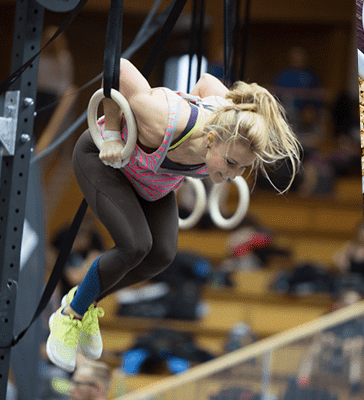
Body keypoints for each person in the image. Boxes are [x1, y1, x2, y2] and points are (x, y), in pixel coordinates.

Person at [46, 58, 302, 372]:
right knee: (136, 245)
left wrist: (198, 98)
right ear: (211, 140)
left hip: (152, 183)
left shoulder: (224, 126)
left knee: (162, 254)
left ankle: (84, 301)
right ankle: (70, 315)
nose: (234, 174)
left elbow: (207, 82)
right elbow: (118, 67)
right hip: (105, 163)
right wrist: (112, 132)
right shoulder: (164, 119)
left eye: (242, 168)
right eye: (232, 163)